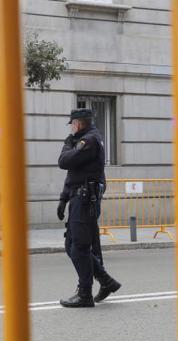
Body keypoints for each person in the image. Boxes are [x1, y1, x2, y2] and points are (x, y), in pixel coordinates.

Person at [57, 109, 121, 307]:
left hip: (85, 200)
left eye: (72, 123)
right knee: (72, 245)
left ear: (79, 123)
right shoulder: (82, 140)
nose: (71, 127)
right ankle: (106, 281)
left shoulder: (90, 140)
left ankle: (85, 294)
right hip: (78, 197)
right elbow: (73, 174)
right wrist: (63, 198)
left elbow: (64, 162)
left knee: (79, 247)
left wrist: (68, 144)